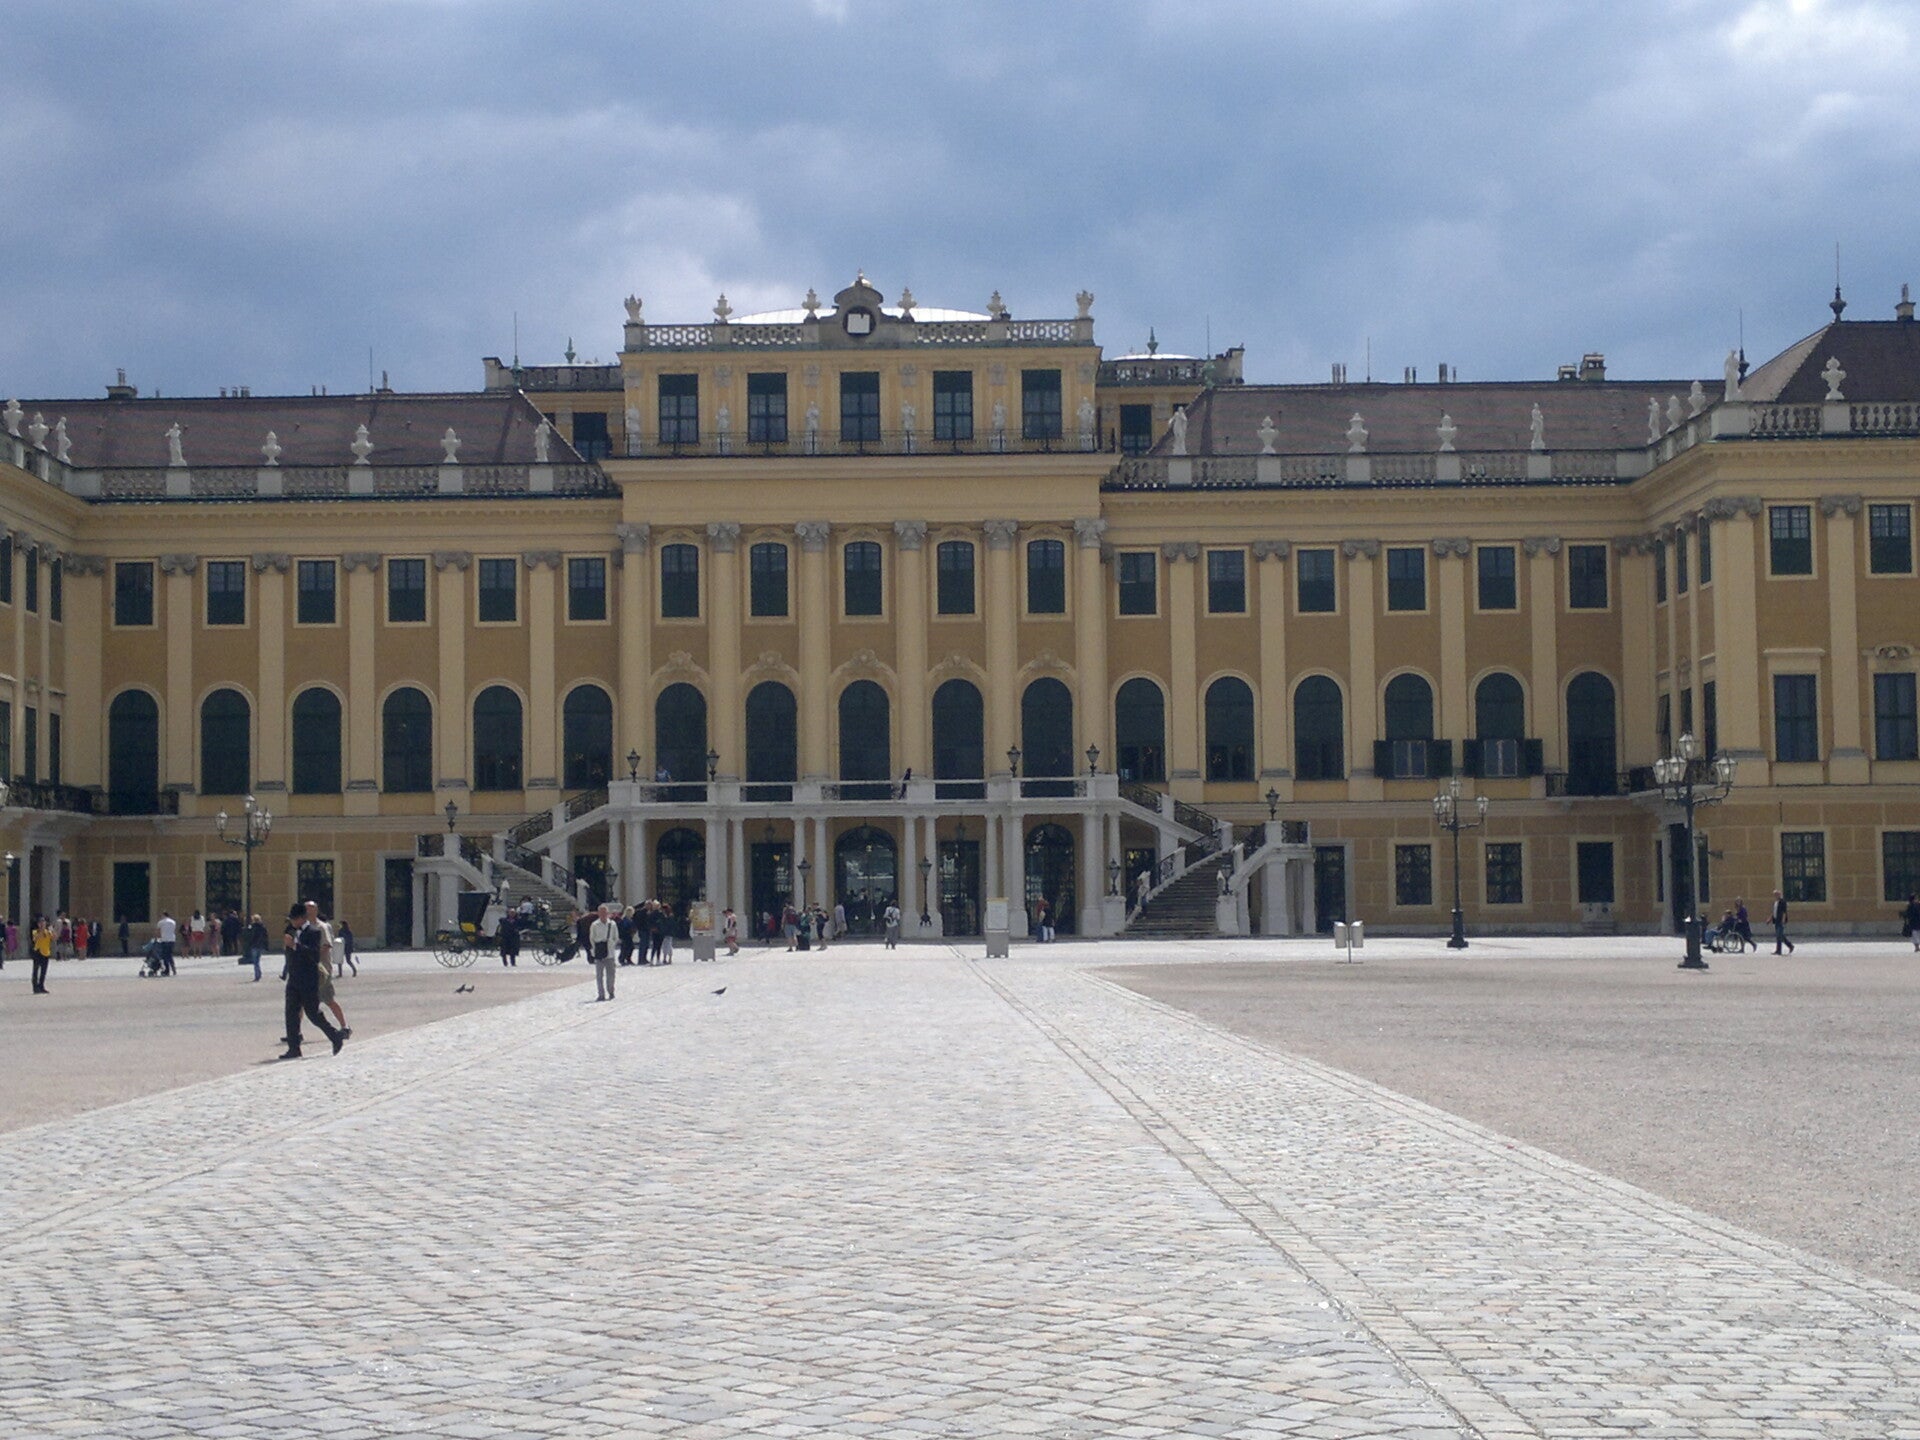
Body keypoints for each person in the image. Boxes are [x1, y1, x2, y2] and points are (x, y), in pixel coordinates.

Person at [281, 901, 346, 1059]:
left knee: (313, 1014)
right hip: (294, 978)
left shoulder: (313, 932)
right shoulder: (291, 931)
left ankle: (335, 1036)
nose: (292, 922)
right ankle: (294, 1048)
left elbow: (314, 954)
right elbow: (289, 954)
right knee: (291, 1014)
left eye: (294, 919)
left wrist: (295, 945)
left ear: (302, 918)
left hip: (308, 980)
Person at [589, 903, 618, 1000]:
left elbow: (616, 937)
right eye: (601, 912)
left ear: (607, 913)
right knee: (599, 975)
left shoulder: (612, 924)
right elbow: (592, 938)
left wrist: (611, 944)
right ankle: (601, 994)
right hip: (599, 952)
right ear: (598, 913)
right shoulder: (595, 925)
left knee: (611, 974)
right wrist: (596, 948)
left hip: (610, 952)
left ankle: (611, 991)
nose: (603, 914)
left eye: (605, 912)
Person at [30, 915, 53, 994]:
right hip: (38, 951)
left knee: (43, 971)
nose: (42, 924)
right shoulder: (35, 931)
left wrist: (52, 930)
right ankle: (35, 987)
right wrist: (42, 930)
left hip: (46, 952)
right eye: (41, 922)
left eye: (43, 922)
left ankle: (41, 986)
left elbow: (54, 938)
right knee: (36, 970)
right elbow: (36, 938)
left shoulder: (48, 932)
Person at [244, 912, 269, 982]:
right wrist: (266, 945)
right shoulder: (263, 927)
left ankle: (257, 975)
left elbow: (251, 936)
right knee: (257, 960)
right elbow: (265, 936)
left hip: (254, 946)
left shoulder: (253, 927)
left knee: (255, 961)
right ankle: (258, 974)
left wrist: (249, 943)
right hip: (260, 945)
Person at [1770, 889, 1795, 955]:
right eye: (1774, 895)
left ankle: (1779, 950)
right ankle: (1790, 946)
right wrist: (1770, 919)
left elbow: (1784, 912)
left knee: (1779, 936)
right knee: (1780, 936)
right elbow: (1774, 912)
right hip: (1776, 921)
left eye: (1776, 894)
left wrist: (1783, 921)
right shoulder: (1775, 902)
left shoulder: (1783, 902)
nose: (1775, 896)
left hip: (1780, 921)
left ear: (1779, 895)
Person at [155, 912, 178, 976]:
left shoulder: (160, 922)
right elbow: (173, 930)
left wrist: (157, 938)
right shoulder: (173, 922)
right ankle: (173, 968)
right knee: (170, 954)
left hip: (164, 939)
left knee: (165, 955)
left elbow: (158, 932)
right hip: (172, 939)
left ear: (163, 915)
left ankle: (167, 970)